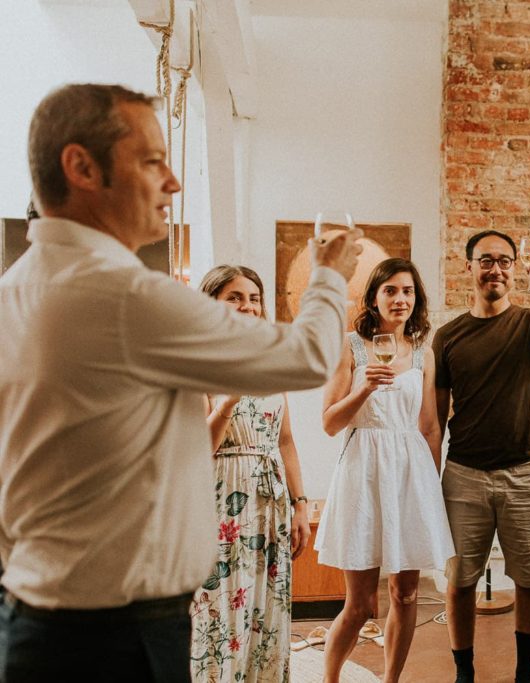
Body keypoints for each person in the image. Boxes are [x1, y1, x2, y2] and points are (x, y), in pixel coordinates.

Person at [0, 83, 359, 683]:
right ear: (81, 167)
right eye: (152, 161)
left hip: (36, 613)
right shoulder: (124, 294)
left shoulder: (15, 289)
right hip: (116, 633)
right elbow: (306, 358)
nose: (173, 181)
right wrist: (326, 276)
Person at [432, 230, 530, 683]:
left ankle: (524, 675)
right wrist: (426, 480)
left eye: (504, 261)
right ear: (469, 267)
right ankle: (464, 672)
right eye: (485, 260)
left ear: (515, 269)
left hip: (526, 473)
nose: (495, 268)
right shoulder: (447, 337)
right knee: (460, 581)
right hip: (463, 474)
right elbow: (435, 421)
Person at [317, 258, 454, 683]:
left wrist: (427, 488)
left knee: (406, 593)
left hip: (411, 476)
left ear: (417, 300)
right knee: (360, 605)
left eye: (408, 291)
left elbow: (431, 426)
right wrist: (364, 389)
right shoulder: (350, 346)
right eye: (391, 290)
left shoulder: (424, 354)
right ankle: (329, 679)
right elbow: (329, 423)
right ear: (374, 298)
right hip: (364, 471)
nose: (400, 299)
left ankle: (392, 680)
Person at [189, 265, 311, 682]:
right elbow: (197, 449)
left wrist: (300, 505)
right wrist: (226, 402)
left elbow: (286, 441)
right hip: (222, 503)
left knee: (266, 609)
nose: (248, 306)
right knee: (221, 606)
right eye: (234, 297)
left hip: (270, 505)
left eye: (254, 298)